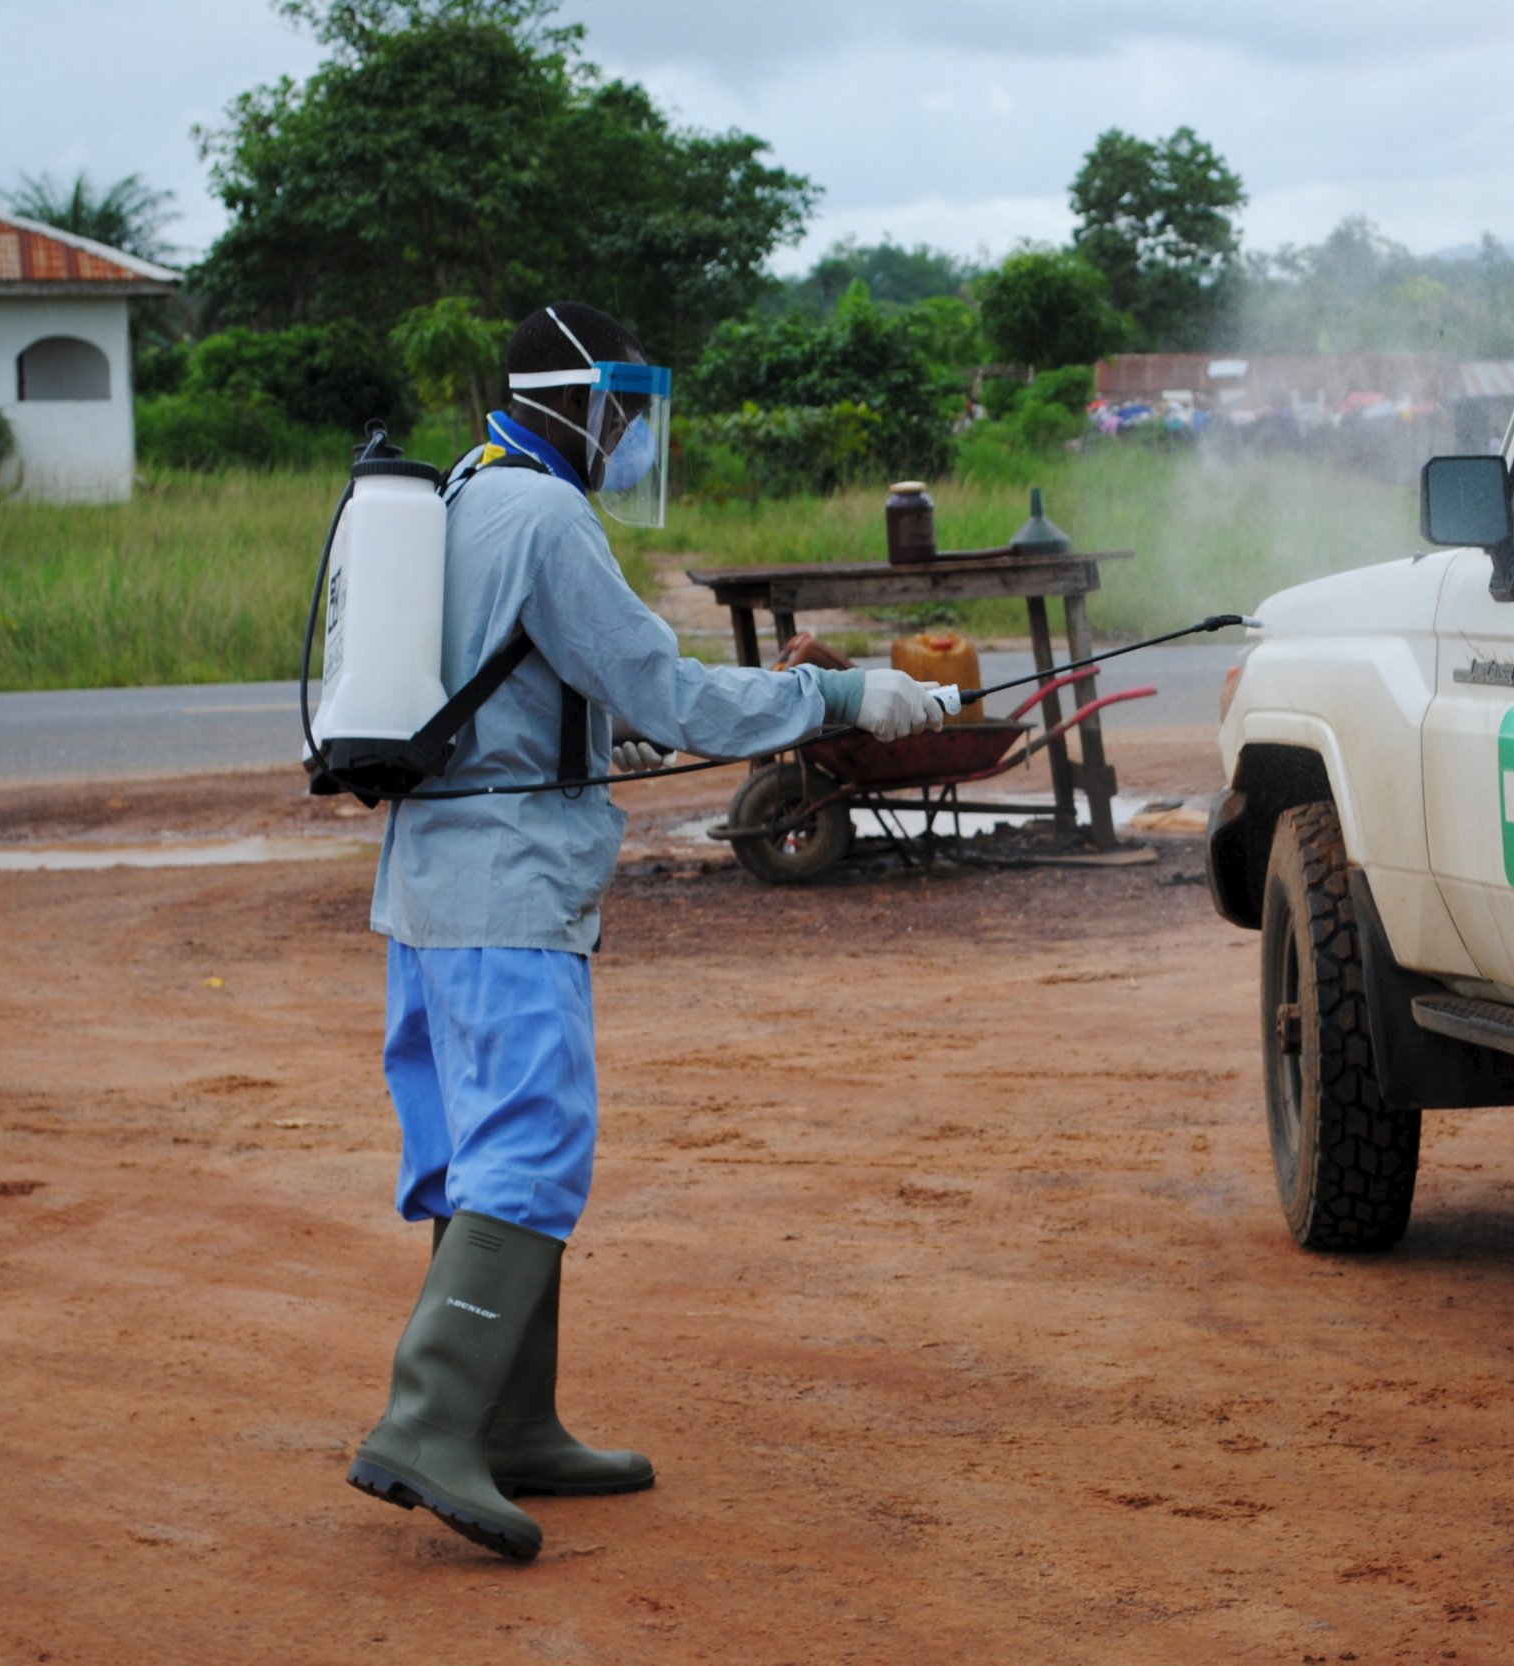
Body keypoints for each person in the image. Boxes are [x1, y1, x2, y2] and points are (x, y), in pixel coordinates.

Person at [343, 301, 945, 1561]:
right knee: (532, 1147)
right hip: (507, 895)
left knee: (477, 1152)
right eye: (621, 406)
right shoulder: (550, 514)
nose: (629, 431)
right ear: (580, 399)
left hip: (430, 887)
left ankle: (514, 1423)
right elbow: (668, 687)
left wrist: (588, 731)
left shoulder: (469, 486)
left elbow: (493, 680)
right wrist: (843, 691)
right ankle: (429, 1420)